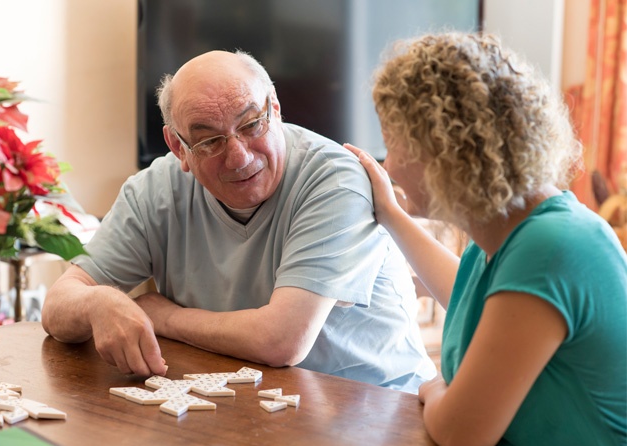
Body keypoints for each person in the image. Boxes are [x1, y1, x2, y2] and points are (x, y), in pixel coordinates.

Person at [41, 50, 437, 393]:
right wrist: (98, 300)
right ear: (178, 146)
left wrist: (162, 315)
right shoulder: (153, 190)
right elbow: (59, 303)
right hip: (243, 407)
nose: (239, 157)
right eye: (209, 140)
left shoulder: (336, 179)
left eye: (251, 125)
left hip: (378, 411)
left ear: (275, 108)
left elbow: (282, 341)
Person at [346, 32, 627, 446]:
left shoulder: (550, 247)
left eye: (393, 144)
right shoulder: (507, 231)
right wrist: (390, 214)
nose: (389, 164)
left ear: (445, 149)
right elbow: (466, 290)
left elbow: (461, 433)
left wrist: (432, 385)